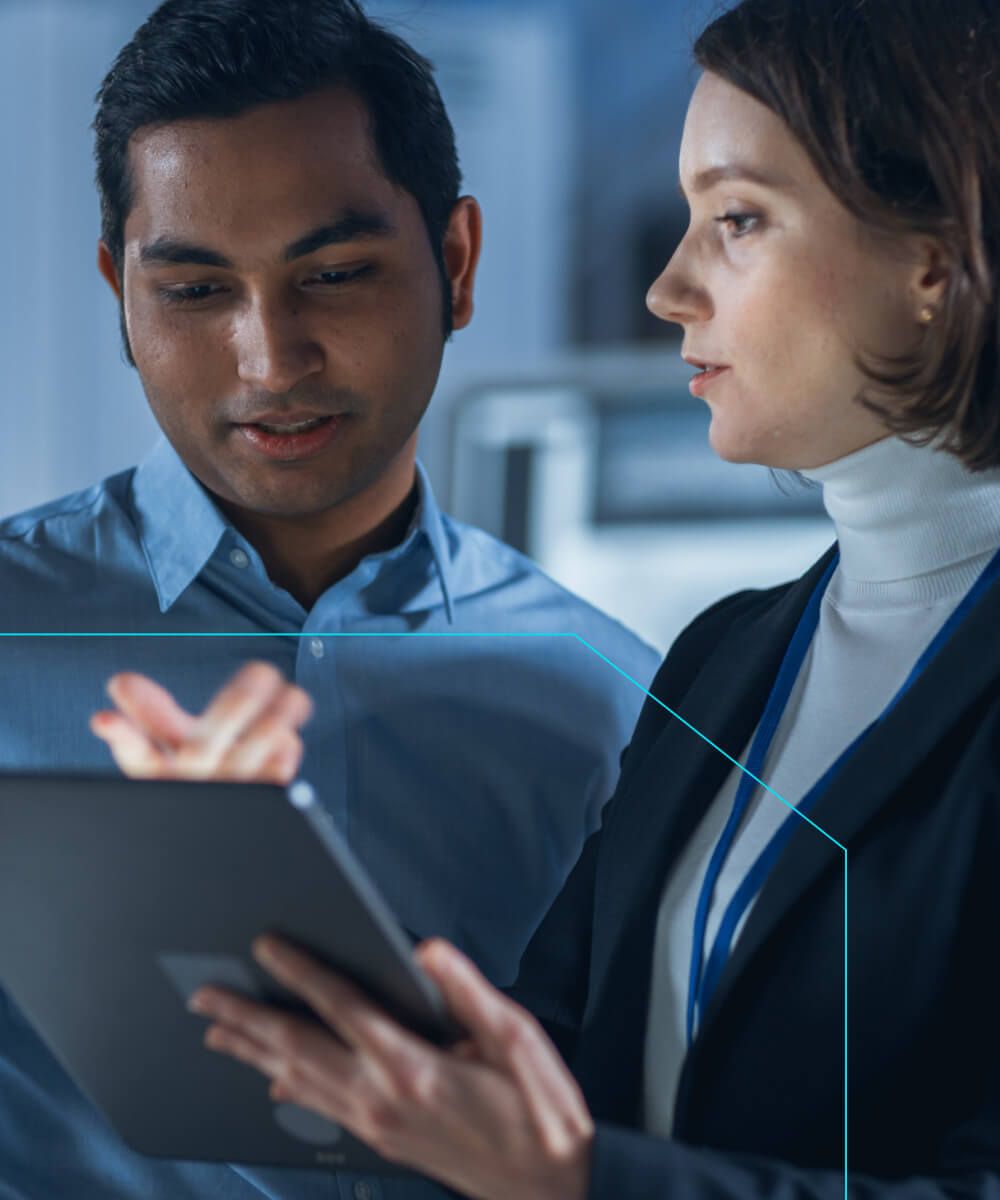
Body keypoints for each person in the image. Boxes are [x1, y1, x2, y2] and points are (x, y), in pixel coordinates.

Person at [127, 0, 1000, 1195]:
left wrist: (580, 1179)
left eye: (737, 220)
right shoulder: (727, 657)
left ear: (934, 264)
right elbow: (530, 1079)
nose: (668, 288)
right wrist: (247, 872)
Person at [0, 2, 658, 1199]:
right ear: (120, 299)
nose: (269, 359)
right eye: (197, 292)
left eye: (336, 274)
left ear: (454, 263)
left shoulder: (616, 704)